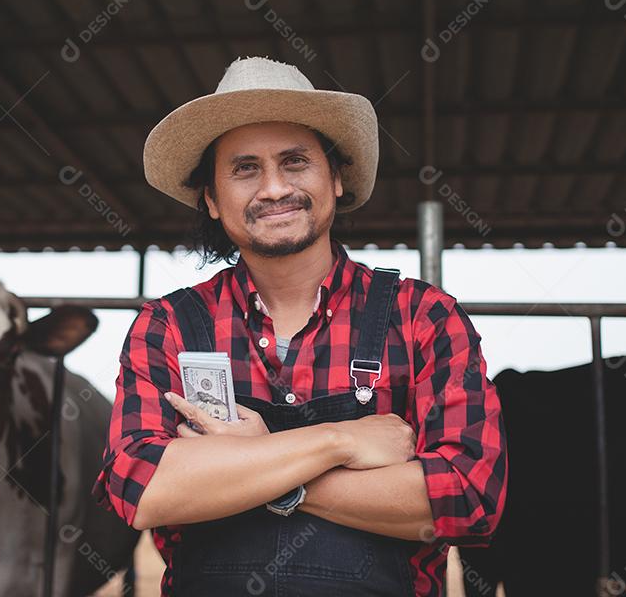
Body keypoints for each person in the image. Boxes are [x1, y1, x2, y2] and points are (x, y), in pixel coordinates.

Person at [93, 56, 507, 596]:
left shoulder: (422, 316)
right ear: (213, 201)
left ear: (336, 179)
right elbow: (141, 488)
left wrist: (258, 472)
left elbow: (467, 498)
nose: (272, 189)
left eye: (295, 162)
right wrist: (340, 440)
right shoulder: (167, 325)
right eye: (244, 168)